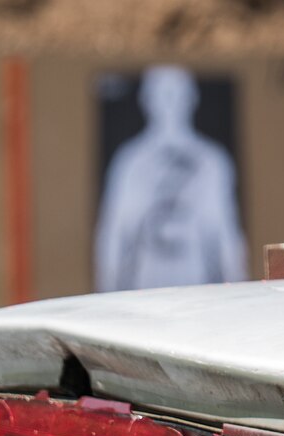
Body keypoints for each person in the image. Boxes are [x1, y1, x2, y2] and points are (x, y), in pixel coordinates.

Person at [94, 66, 248, 292]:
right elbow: (115, 233)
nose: (170, 104)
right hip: (146, 286)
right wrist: (105, 295)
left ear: (191, 99)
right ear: (147, 101)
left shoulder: (211, 161)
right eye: (161, 95)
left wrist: (239, 292)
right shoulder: (130, 162)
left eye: (177, 94)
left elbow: (224, 233)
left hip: (196, 283)